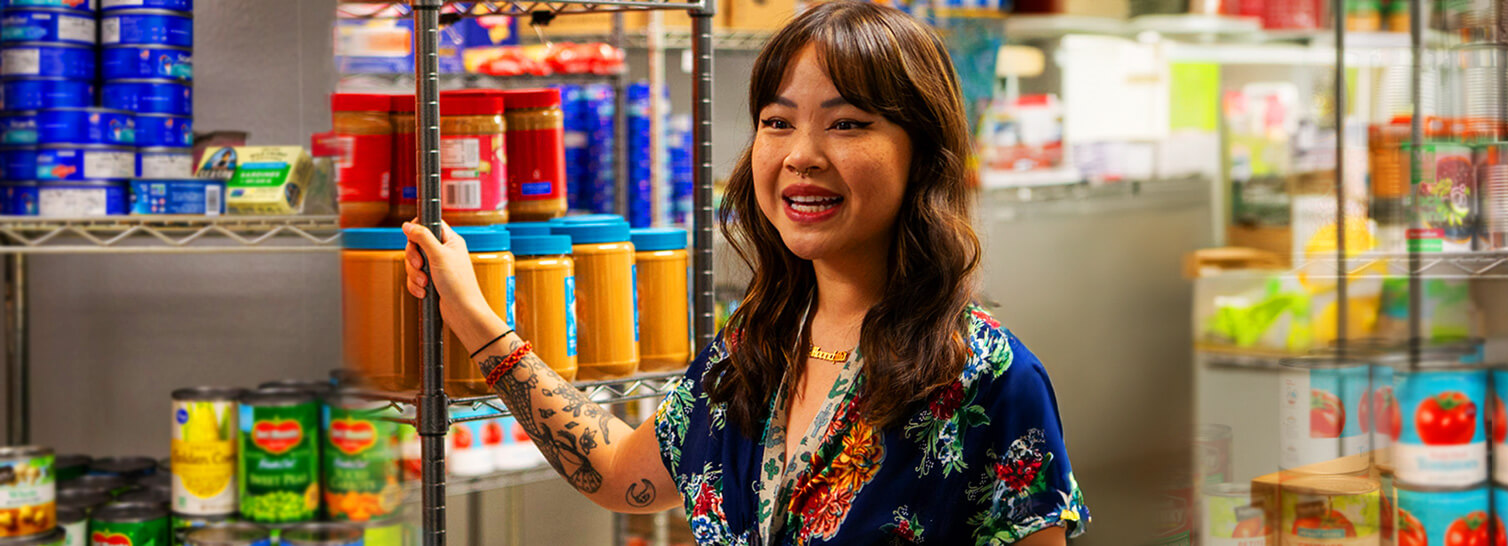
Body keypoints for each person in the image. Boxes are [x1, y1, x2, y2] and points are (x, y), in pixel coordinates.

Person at [401, 1, 1089, 543]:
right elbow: (619, 475)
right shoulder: (752, 350)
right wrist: (472, 315)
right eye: (777, 122)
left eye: (846, 124)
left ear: (924, 155)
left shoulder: (987, 377)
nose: (801, 155)